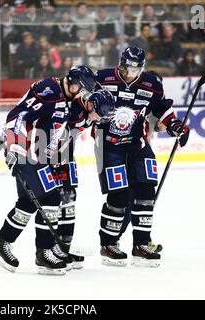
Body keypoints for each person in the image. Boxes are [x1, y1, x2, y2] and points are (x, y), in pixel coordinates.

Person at [0, 65, 99, 275]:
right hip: (26, 153)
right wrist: (13, 145)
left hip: (39, 155)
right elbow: (18, 115)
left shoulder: (67, 98)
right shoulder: (49, 90)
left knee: (28, 202)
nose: (83, 94)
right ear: (73, 82)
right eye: (82, 88)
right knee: (50, 198)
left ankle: (2, 243)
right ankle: (43, 253)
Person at [93, 47, 190, 267]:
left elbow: (162, 109)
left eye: (136, 69)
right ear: (121, 64)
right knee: (118, 196)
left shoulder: (152, 84)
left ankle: (141, 244)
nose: (131, 73)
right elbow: (85, 101)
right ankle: (108, 244)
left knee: (146, 191)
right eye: (128, 68)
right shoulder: (103, 78)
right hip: (109, 147)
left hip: (138, 145)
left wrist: (176, 125)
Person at [51, 89, 116, 270]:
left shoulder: (89, 109)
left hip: (66, 157)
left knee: (69, 200)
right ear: (90, 105)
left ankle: (64, 246)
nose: (99, 119)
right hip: (53, 158)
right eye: (99, 115)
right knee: (55, 203)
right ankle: (52, 247)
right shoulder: (73, 111)